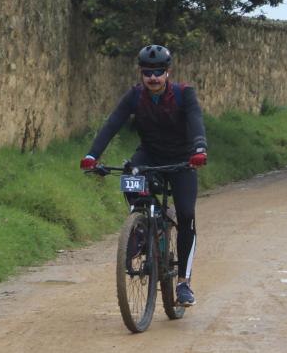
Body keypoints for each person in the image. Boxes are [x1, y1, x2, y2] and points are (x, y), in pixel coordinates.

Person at [80, 44, 208, 306]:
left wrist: (199, 149)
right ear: (141, 73)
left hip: (182, 159)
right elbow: (112, 123)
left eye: (158, 72)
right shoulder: (135, 96)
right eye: (148, 72)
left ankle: (183, 282)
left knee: (185, 215)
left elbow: (196, 121)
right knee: (129, 179)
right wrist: (93, 156)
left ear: (167, 72)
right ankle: (140, 229)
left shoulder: (185, 94)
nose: (153, 78)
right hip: (149, 154)